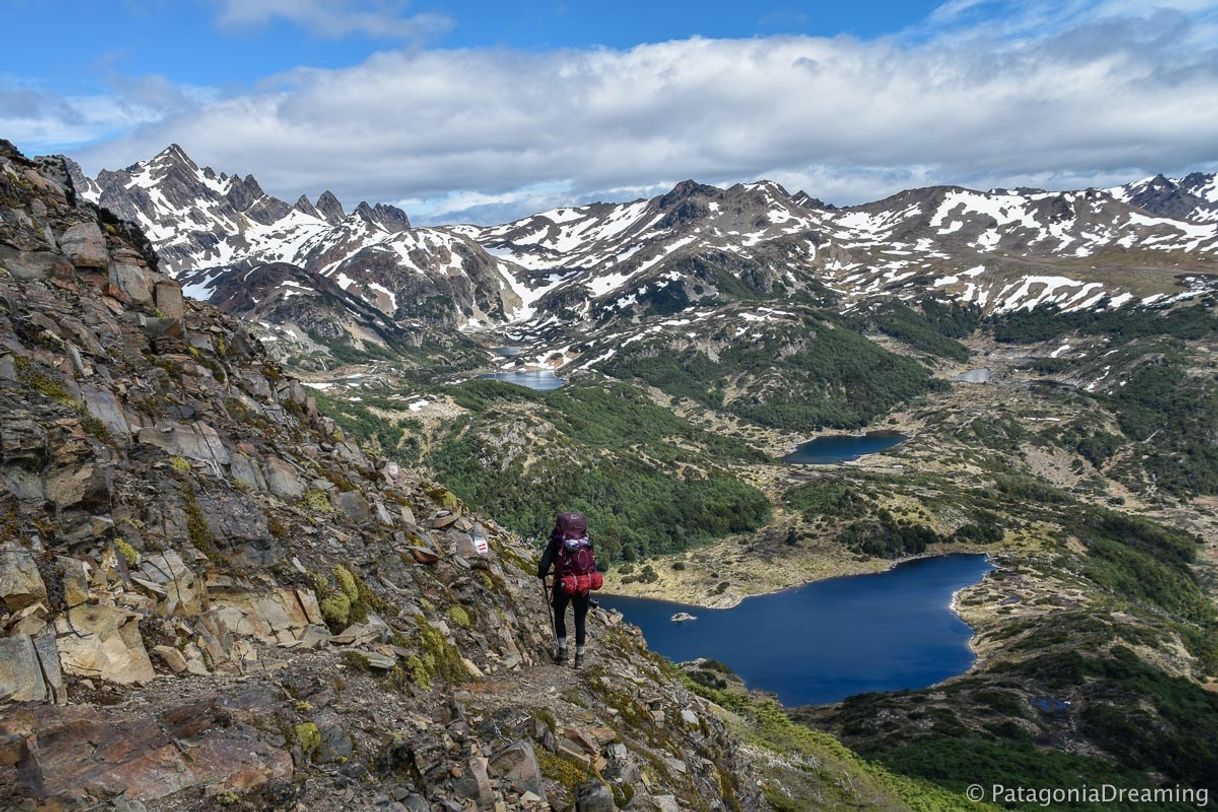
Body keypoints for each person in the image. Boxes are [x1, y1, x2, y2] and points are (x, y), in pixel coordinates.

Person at [537, 512, 591, 667]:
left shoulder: (557, 541)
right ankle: (579, 659)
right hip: (583, 584)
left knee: (559, 616)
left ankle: (563, 653)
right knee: (580, 620)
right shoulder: (585, 541)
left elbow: (543, 565)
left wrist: (542, 573)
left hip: (563, 583)